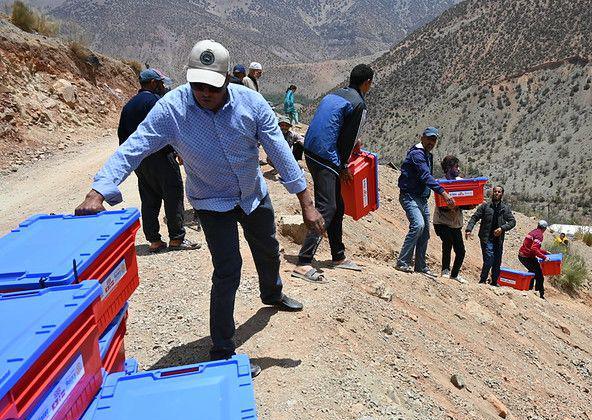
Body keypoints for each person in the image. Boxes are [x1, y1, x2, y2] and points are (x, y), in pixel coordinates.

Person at [74, 40, 325, 377]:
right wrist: (99, 190)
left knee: (268, 249)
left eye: (212, 85)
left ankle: (272, 292)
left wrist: (306, 202)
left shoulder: (251, 103)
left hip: (252, 194)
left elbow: (279, 151)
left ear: (226, 79)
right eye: (197, 84)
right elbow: (135, 145)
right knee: (228, 269)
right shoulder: (172, 109)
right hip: (211, 201)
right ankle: (222, 349)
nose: (204, 92)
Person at [293, 64, 374, 282]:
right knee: (327, 207)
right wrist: (344, 166)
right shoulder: (359, 104)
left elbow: (333, 125)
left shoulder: (335, 94)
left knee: (337, 205)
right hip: (326, 156)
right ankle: (303, 262)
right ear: (367, 83)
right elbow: (348, 141)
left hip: (310, 149)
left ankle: (338, 256)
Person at [118, 68, 199, 253]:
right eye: (161, 83)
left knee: (149, 199)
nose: (163, 87)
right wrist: (180, 151)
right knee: (173, 195)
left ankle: (154, 240)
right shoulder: (158, 102)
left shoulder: (129, 106)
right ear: (154, 83)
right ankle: (176, 239)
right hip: (162, 157)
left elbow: (122, 137)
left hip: (140, 160)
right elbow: (172, 129)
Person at [396, 127, 455, 277]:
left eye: (434, 139)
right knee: (418, 225)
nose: (431, 142)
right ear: (422, 137)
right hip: (409, 196)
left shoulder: (428, 155)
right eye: (429, 138)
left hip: (421, 198)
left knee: (425, 233)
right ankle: (402, 262)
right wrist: (443, 193)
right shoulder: (417, 154)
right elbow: (425, 175)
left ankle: (420, 266)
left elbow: (427, 176)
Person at [465, 186, 516, 286]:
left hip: (499, 239)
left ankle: (494, 281)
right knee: (489, 258)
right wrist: (468, 229)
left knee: (497, 260)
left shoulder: (504, 208)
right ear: (492, 193)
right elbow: (475, 217)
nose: (497, 193)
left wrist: (502, 228)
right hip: (486, 237)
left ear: (502, 194)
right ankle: (483, 280)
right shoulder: (485, 206)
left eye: (499, 192)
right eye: (495, 191)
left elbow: (512, 221)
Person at [432, 155, 470, 283]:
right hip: (441, 221)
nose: (458, 169)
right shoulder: (440, 184)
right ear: (449, 168)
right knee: (447, 243)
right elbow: (441, 205)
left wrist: (470, 204)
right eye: (456, 166)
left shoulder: (461, 182)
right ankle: (445, 270)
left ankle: (454, 274)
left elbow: (464, 201)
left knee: (461, 251)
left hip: (455, 223)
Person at [517, 220, 550, 298]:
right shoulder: (539, 235)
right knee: (539, 276)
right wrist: (544, 257)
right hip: (527, 257)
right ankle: (539, 294)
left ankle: (529, 290)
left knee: (533, 272)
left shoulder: (533, 232)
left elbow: (532, 248)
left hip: (523, 255)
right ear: (544, 228)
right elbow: (534, 249)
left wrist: (545, 252)